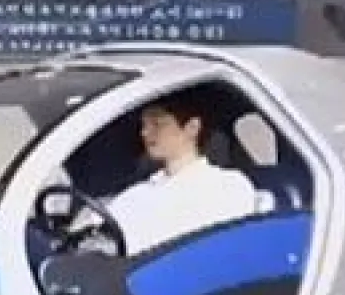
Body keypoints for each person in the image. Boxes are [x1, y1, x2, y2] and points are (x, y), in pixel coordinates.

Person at [102, 88, 258, 255]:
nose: (145, 133)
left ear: (192, 127)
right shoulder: (138, 192)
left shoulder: (227, 186)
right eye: (144, 125)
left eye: (157, 124)